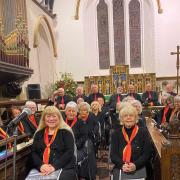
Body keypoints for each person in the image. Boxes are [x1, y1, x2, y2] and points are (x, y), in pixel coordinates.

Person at [29, 106, 76, 179]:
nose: (51, 119)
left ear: (59, 118)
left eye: (54, 116)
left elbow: (69, 152)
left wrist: (54, 166)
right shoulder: (38, 133)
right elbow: (34, 152)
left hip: (63, 166)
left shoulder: (66, 133)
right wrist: (41, 165)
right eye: (48, 116)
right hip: (42, 167)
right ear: (44, 119)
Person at [110, 105, 152, 180]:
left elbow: (147, 153)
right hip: (121, 167)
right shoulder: (115, 133)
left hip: (139, 166)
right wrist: (122, 165)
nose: (128, 118)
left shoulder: (143, 132)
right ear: (122, 119)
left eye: (131, 116)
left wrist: (135, 165)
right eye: (125, 116)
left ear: (136, 118)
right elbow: (113, 155)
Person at [78, 102, 99, 180]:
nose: (84, 112)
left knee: (88, 148)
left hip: (89, 138)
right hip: (79, 139)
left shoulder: (92, 117)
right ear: (79, 111)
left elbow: (96, 128)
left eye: (85, 110)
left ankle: (91, 173)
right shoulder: (77, 118)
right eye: (81, 110)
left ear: (88, 111)